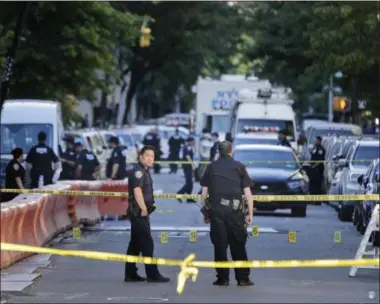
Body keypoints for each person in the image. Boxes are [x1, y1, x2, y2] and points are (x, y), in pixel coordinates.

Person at [200, 141, 254, 287]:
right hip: (235, 212)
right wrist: (250, 213)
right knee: (238, 245)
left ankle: (222, 279)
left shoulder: (211, 167)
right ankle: (243, 278)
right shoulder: (240, 167)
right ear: (231, 151)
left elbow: (204, 193)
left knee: (220, 245)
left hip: (217, 212)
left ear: (219, 151)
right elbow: (248, 193)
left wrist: (206, 212)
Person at [124, 145, 170, 283]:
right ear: (141, 157)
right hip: (139, 212)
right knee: (147, 243)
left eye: (152, 156)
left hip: (140, 212)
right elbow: (137, 191)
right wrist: (143, 208)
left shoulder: (144, 170)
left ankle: (130, 273)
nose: (150, 159)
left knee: (135, 245)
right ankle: (152, 274)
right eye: (147, 156)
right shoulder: (138, 172)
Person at [177, 137, 196, 203]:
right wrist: (192, 164)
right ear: (190, 141)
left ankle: (189, 198)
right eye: (193, 141)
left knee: (190, 183)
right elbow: (187, 156)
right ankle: (179, 194)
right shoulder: (188, 147)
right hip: (187, 166)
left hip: (188, 166)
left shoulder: (189, 147)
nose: (194, 142)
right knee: (189, 183)